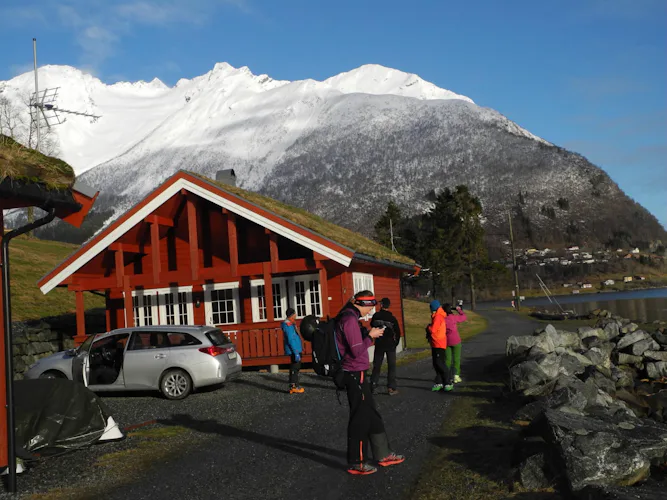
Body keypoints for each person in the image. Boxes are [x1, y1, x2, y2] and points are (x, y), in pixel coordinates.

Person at [336, 290, 406, 475]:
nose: (371, 311)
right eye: (370, 307)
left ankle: (383, 454)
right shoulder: (349, 319)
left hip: (358, 372)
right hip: (354, 373)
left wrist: (367, 334)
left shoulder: (351, 317)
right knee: (360, 417)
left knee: (372, 414)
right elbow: (357, 349)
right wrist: (371, 336)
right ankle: (356, 462)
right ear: (363, 303)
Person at [370, 297, 401, 396]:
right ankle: (391, 388)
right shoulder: (392, 319)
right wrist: (395, 343)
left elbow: (372, 325)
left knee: (377, 366)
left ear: (382, 305)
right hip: (390, 345)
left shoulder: (376, 316)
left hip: (379, 344)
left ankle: (373, 386)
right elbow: (398, 332)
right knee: (391, 366)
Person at [425, 300, 452, 392]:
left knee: (440, 364)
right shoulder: (438, 316)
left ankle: (448, 382)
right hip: (436, 343)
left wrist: (428, 327)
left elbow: (433, 330)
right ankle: (439, 382)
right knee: (436, 364)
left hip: (438, 343)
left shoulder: (437, 317)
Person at [443, 303, 467, 384]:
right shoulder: (453, 318)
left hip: (446, 342)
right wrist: (459, 310)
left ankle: (447, 376)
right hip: (456, 341)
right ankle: (456, 376)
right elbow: (464, 317)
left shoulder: (443, 319)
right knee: (456, 359)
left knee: (447, 360)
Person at [282, 308, 304, 394]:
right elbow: (291, 339)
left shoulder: (292, 324)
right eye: (294, 313)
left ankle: (294, 385)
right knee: (295, 367)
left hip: (296, 349)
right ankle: (294, 386)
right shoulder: (288, 326)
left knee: (296, 367)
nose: (296, 315)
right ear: (291, 315)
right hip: (294, 350)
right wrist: (296, 352)